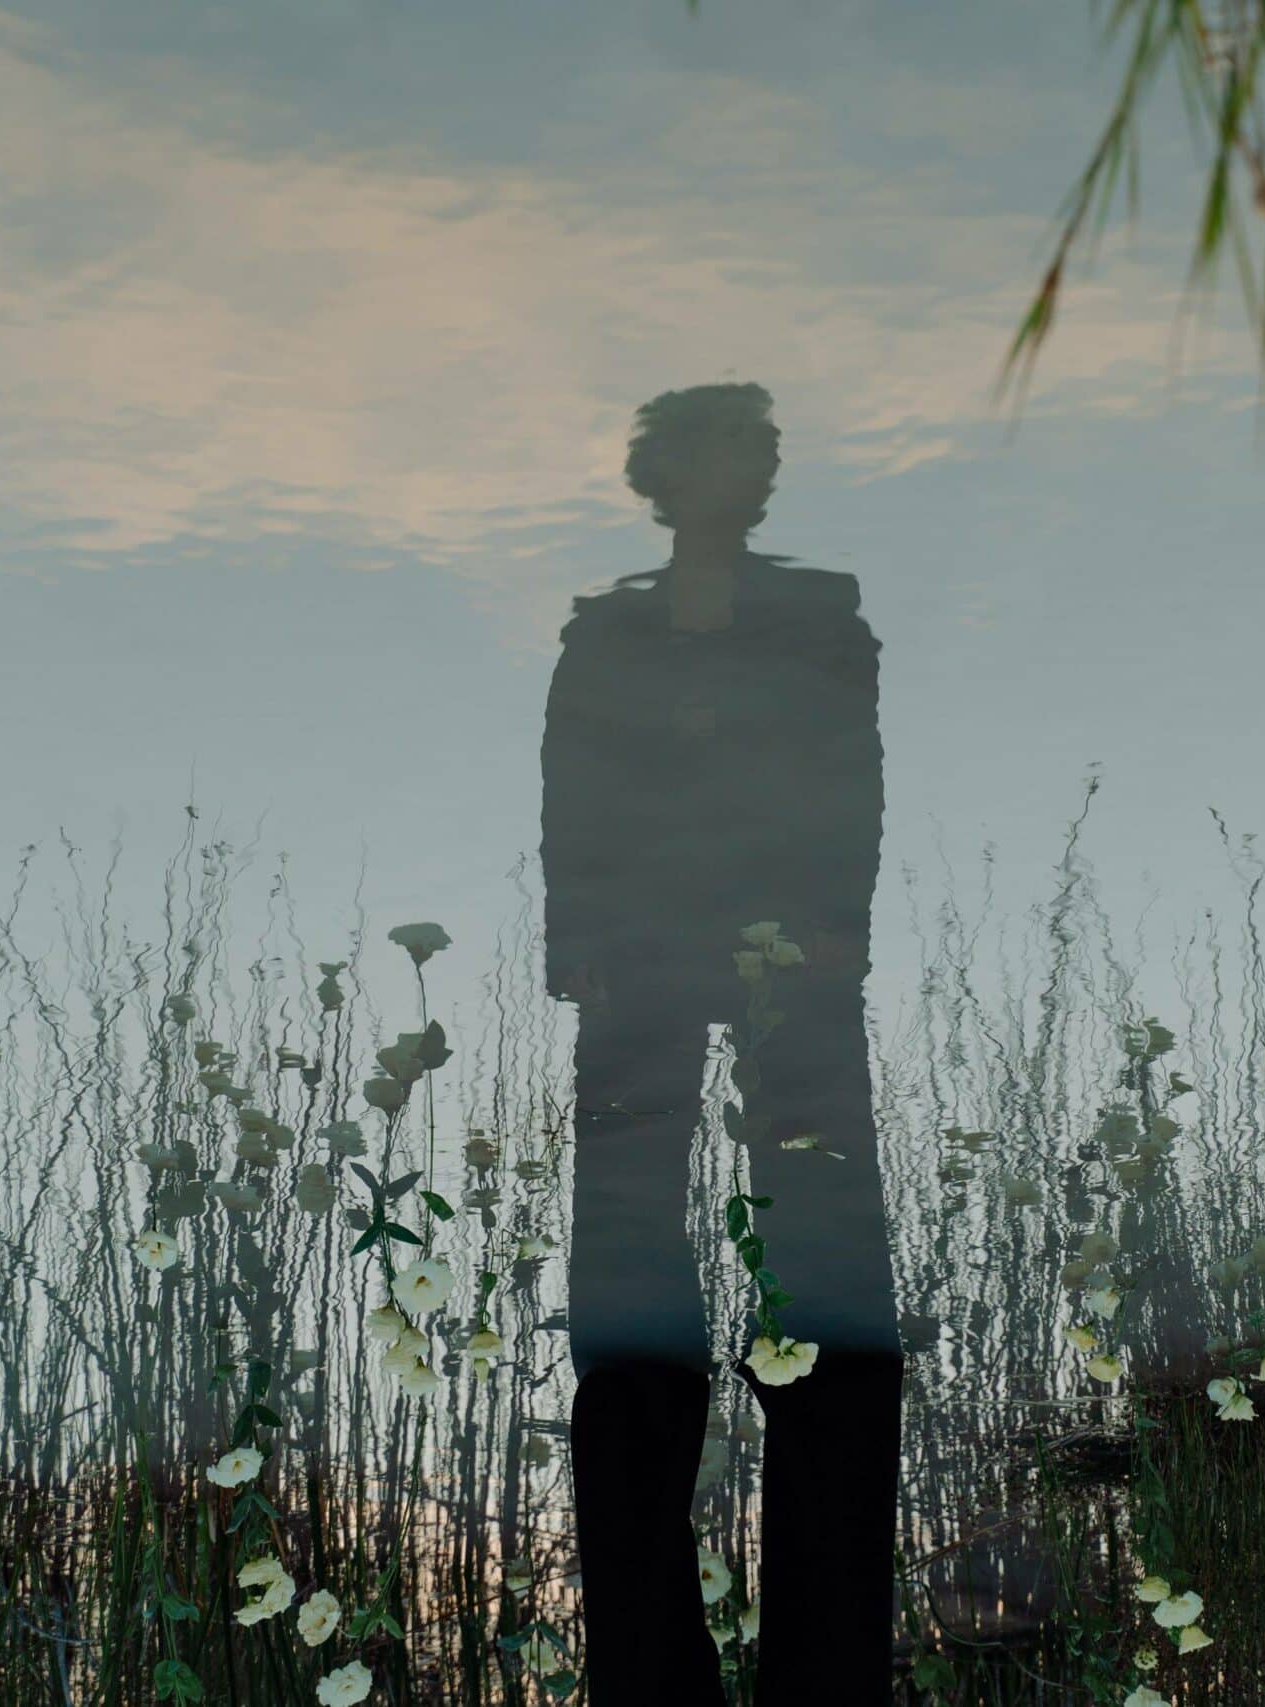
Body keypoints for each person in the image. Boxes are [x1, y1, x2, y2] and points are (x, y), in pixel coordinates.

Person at [540, 382, 903, 1703]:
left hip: (788, 941)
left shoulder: (823, 614)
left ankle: (830, 1651)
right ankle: (647, 1651)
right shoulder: (605, 633)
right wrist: (570, 931)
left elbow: (850, 768)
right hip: (635, 943)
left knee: (817, 1219)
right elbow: (569, 782)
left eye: (763, 450)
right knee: (630, 1228)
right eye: (727, 451)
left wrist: (838, 924)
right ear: (668, 475)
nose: (751, 471)